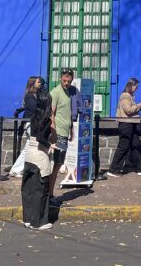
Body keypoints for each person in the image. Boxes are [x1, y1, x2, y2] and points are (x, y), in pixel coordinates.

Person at [21, 81, 55, 230]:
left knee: (28, 189)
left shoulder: (33, 116)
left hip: (29, 154)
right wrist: (50, 145)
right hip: (40, 155)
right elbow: (42, 138)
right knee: (41, 190)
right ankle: (39, 221)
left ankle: (28, 219)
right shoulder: (46, 120)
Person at [48, 68, 82, 199]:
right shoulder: (56, 92)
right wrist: (53, 134)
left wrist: (71, 129)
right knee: (55, 165)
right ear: (60, 79)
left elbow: (68, 112)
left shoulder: (71, 93)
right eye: (64, 80)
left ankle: (50, 193)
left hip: (65, 132)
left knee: (57, 165)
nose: (66, 83)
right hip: (57, 134)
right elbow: (52, 114)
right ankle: (49, 194)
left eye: (68, 81)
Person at [107, 77, 141, 177]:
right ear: (131, 85)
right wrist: (140, 105)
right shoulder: (125, 96)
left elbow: (131, 112)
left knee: (136, 145)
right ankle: (113, 170)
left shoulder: (130, 96)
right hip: (126, 125)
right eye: (136, 86)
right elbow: (128, 110)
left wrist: (139, 107)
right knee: (123, 147)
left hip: (131, 124)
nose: (137, 89)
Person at [10, 76, 39, 178]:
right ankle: (16, 169)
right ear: (33, 84)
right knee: (29, 146)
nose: (40, 84)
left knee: (29, 146)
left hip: (32, 123)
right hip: (31, 123)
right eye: (38, 82)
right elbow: (33, 109)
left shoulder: (34, 95)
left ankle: (20, 168)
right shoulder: (30, 96)